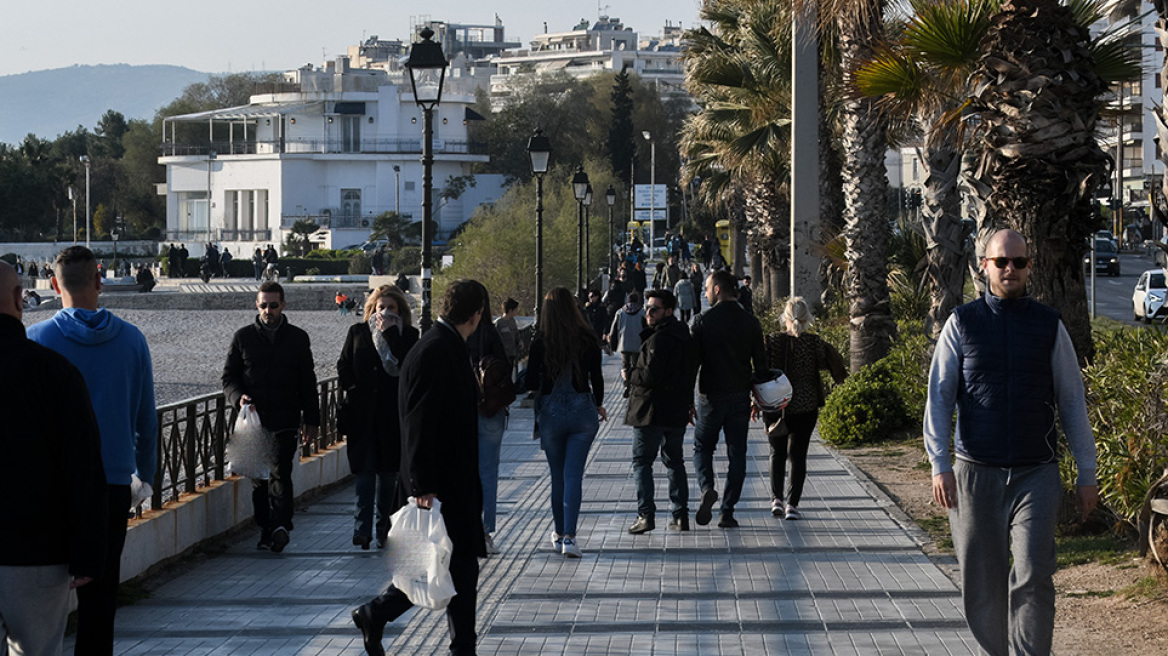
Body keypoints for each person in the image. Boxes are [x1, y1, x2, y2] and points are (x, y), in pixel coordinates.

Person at [925, 229, 1097, 656]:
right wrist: (939, 463)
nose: (1010, 270)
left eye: (1019, 262)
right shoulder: (962, 323)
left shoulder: (1049, 325)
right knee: (981, 581)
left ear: (1029, 268)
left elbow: (1072, 401)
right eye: (1001, 262)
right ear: (984, 266)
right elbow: (940, 396)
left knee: (1035, 573)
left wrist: (1087, 473)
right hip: (973, 471)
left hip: (1035, 471)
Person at [27, 246, 159, 655]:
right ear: (99, 280)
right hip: (112, 484)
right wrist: (147, 476)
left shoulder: (37, 340)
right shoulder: (132, 341)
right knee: (99, 600)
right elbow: (146, 422)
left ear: (53, 284)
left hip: (53, 488)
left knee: (43, 601)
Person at [351, 279, 488, 656]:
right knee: (448, 567)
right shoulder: (436, 350)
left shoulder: (440, 344)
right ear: (476, 315)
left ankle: (377, 615)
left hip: (446, 481)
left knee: (448, 568)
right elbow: (419, 423)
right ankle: (455, 644)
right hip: (437, 484)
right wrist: (422, 486)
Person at [0, 261, 108, 656]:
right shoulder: (54, 372)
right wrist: (88, 552)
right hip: (38, 554)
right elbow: (84, 468)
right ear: (19, 299)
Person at [222, 281, 321, 554]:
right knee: (258, 481)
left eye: (273, 305)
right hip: (253, 423)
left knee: (281, 472)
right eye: (263, 305)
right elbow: (228, 378)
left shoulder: (298, 338)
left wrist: (312, 420)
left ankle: (280, 526)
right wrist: (238, 397)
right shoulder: (243, 337)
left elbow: (308, 382)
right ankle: (266, 528)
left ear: (283, 305)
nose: (268, 310)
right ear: (256, 305)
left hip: (286, 419)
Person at [526, 287, 607, 558]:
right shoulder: (586, 337)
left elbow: (529, 382)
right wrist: (598, 403)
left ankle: (559, 534)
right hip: (582, 412)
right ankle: (571, 538)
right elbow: (597, 377)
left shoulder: (541, 341)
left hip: (551, 415)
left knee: (557, 477)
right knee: (574, 476)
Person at [338, 285, 418, 550]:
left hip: (391, 416)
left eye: (391, 308)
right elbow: (344, 365)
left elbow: (407, 365)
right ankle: (361, 530)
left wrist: (391, 334)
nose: (384, 312)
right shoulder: (358, 332)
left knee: (387, 477)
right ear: (371, 308)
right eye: (380, 307)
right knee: (364, 475)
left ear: (400, 310)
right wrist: (351, 388)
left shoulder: (409, 335)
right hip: (361, 416)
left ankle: (385, 528)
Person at [690, 269, 767, 529]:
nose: (706, 292)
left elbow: (692, 364)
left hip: (710, 396)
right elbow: (762, 367)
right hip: (739, 397)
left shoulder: (702, 321)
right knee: (738, 453)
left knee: (702, 447)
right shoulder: (750, 322)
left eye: (708, 288)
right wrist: (758, 398)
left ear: (718, 289)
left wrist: (686, 402)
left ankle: (707, 487)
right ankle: (727, 511)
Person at [759, 297, 846, 520]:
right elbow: (831, 363)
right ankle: (792, 506)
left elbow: (760, 371)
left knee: (776, 453)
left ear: (784, 318)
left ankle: (776, 500)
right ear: (807, 318)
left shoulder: (771, 341)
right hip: (805, 405)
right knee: (798, 455)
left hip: (775, 405)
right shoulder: (814, 343)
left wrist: (754, 400)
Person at [625, 289, 698, 534]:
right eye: (647, 308)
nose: (648, 313)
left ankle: (646, 515)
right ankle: (680, 515)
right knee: (674, 461)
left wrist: (630, 373)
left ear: (668, 311)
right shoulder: (684, 337)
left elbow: (649, 376)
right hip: (675, 410)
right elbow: (689, 376)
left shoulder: (659, 340)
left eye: (654, 309)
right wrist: (688, 404)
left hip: (651, 411)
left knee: (642, 462)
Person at [466, 283, 512, 556]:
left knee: (461, 472)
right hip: (491, 411)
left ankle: (462, 530)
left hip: (462, 409)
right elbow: (505, 369)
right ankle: (484, 532)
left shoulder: (455, 335)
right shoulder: (490, 332)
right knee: (488, 473)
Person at [608, 290, 646, 398]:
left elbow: (613, 330)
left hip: (623, 343)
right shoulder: (642, 312)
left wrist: (613, 344)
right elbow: (647, 328)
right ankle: (634, 384)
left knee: (625, 365)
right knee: (636, 365)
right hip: (638, 344)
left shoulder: (620, 312)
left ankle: (626, 383)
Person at [494, 298, 522, 369]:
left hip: (511, 353)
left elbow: (516, 333)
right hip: (502, 354)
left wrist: (519, 341)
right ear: (510, 310)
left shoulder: (512, 321)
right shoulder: (499, 323)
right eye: (515, 310)